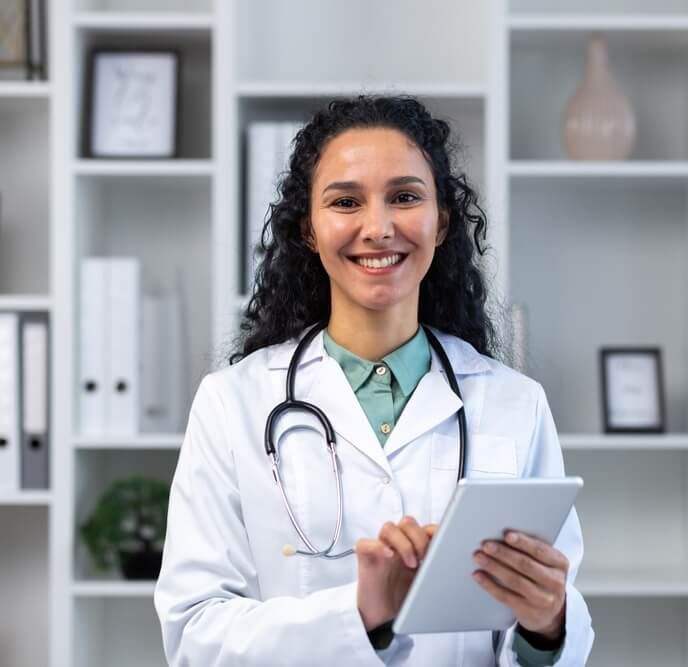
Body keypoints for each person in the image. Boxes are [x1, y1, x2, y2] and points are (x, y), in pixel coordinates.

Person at [153, 94, 594, 666]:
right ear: (309, 228)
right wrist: (360, 615)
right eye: (345, 201)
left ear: (441, 223)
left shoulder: (515, 404)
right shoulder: (232, 404)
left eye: (405, 197)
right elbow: (193, 636)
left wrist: (547, 625)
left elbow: (556, 627)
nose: (378, 227)